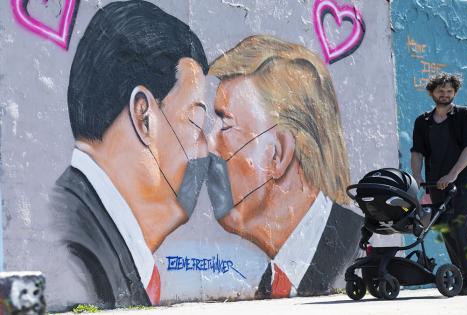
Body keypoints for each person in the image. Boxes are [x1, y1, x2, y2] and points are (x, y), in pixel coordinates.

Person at [49, 0, 209, 308]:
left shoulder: (91, 230)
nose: (207, 146)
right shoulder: (77, 256)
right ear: (144, 116)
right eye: (195, 121)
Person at [206, 35, 362, 298]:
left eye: (225, 124)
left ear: (279, 153)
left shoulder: (352, 249)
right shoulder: (280, 276)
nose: (209, 144)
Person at [410, 72, 467, 295]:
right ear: (432, 92)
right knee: (447, 227)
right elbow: (417, 152)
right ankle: (460, 276)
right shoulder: (423, 122)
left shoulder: (466, 115)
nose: (445, 94)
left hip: (465, 179)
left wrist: (452, 175)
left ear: (455, 93)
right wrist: (417, 177)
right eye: (441, 91)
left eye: (450, 91)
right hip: (436, 182)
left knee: (460, 223)